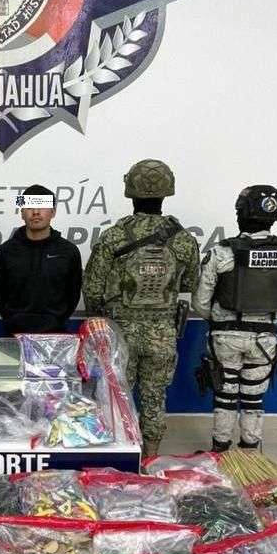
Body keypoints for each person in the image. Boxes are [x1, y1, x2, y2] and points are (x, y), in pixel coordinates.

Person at [193, 184, 277, 451]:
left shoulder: (222, 251)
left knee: (225, 397)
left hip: (226, 338)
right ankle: (250, 453)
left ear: (241, 214)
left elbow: (200, 303)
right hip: (265, 339)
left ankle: (220, 450)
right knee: (253, 400)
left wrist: (221, 320)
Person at [83, 160, 200, 457]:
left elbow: (93, 287)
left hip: (120, 332)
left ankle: (120, 457)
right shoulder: (183, 239)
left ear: (131, 192)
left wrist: (99, 322)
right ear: (167, 191)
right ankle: (151, 457)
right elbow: (190, 282)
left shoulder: (115, 236)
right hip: (162, 332)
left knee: (116, 397)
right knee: (155, 396)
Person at [0, 184, 82, 335]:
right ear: (22, 213)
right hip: (14, 335)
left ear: (53, 212)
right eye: (29, 207)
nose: (35, 212)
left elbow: (73, 294)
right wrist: (13, 320)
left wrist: (56, 320)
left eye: (42, 206)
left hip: (55, 335)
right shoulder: (6, 251)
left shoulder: (69, 251)